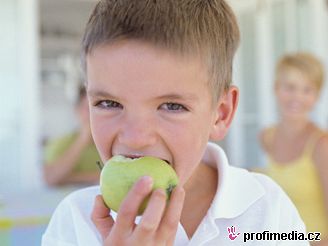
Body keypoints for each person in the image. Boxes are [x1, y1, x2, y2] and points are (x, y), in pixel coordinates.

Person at [42, 1, 309, 245]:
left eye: (172, 106)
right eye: (109, 103)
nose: (136, 138)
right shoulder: (75, 222)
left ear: (221, 114)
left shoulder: (267, 210)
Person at [259, 53, 328, 245]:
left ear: (316, 97)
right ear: (276, 88)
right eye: (290, 87)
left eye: (307, 90)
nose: (297, 97)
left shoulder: (322, 145)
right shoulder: (267, 137)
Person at [43, 86, 101, 186]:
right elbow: (50, 179)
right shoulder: (60, 143)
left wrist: (71, 177)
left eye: (99, 107)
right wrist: (83, 139)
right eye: (87, 109)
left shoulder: (115, 142)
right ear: (77, 111)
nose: (92, 115)